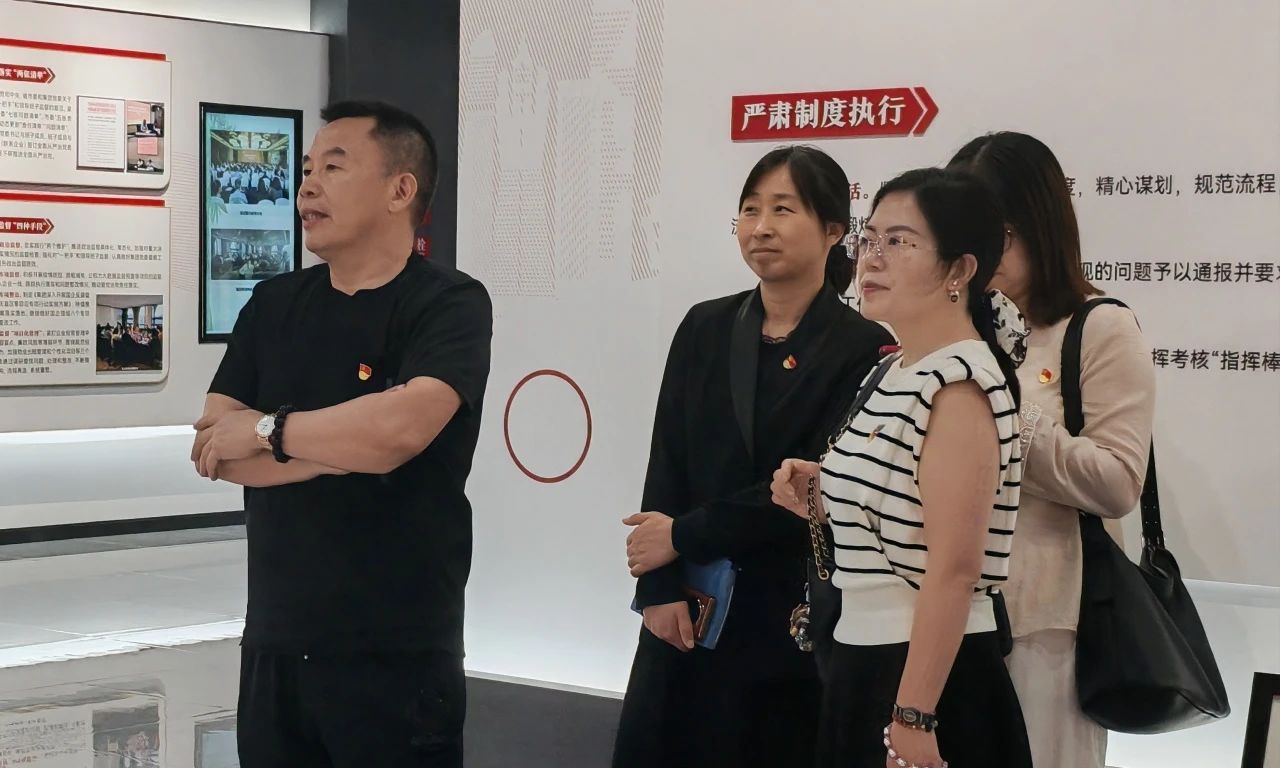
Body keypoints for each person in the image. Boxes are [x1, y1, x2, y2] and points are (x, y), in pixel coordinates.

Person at [191, 100, 492, 767]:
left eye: (333, 167)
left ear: (400, 190)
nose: (307, 187)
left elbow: (400, 430)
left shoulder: (449, 303)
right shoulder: (273, 303)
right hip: (275, 643)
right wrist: (349, 447)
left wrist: (268, 431)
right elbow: (216, 447)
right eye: (305, 170)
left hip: (397, 651)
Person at [612, 146, 893, 768]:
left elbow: (811, 490)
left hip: (787, 614)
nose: (761, 227)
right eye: (750, 209)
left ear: (833, 229)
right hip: (689, 605)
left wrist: (681, 535)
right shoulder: (705, 327)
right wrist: (656, 588)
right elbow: (667, 461)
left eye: (783, 210)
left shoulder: (864, 347)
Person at [772, 168, 1033, 767]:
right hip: (862, 662)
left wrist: (914, 715)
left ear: (959, 270)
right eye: (868, 238)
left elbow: (954, 570)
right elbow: (900, 513)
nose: (871, 258)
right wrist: (819, 494)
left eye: (899, 241)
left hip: (926, 678)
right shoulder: (892, 369)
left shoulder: (959, 383)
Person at [948, 131, 1154, 768]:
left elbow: (1117, 483)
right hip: (938, 614)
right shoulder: (950, 333)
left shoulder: (1099, 325)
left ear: (1040, 225)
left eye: (998, 233)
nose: (979, 253)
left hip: (1043, 627)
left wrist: (1006, 413)